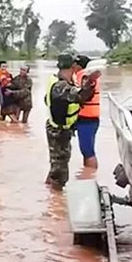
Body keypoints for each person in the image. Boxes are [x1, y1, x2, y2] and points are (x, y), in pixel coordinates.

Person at [45, 54, 100, 190]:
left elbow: (46, 99)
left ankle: (47, 192)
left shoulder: (55, 80)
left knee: (58, 164)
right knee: (60, 172)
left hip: (58, 127)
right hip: (59, 130)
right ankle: (55, 205)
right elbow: (81, 96)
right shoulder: (61, 85)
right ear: (72, 66)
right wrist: (91, 82)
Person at [72, 55, 101, 168]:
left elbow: (82, 94)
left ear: (78, 66)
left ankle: (91, 176)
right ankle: (88, 174)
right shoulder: (85, 76)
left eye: (74, 64)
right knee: (87, 151)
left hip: (87, 118)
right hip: (91, 117)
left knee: (88, 151)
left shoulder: (82, 76)